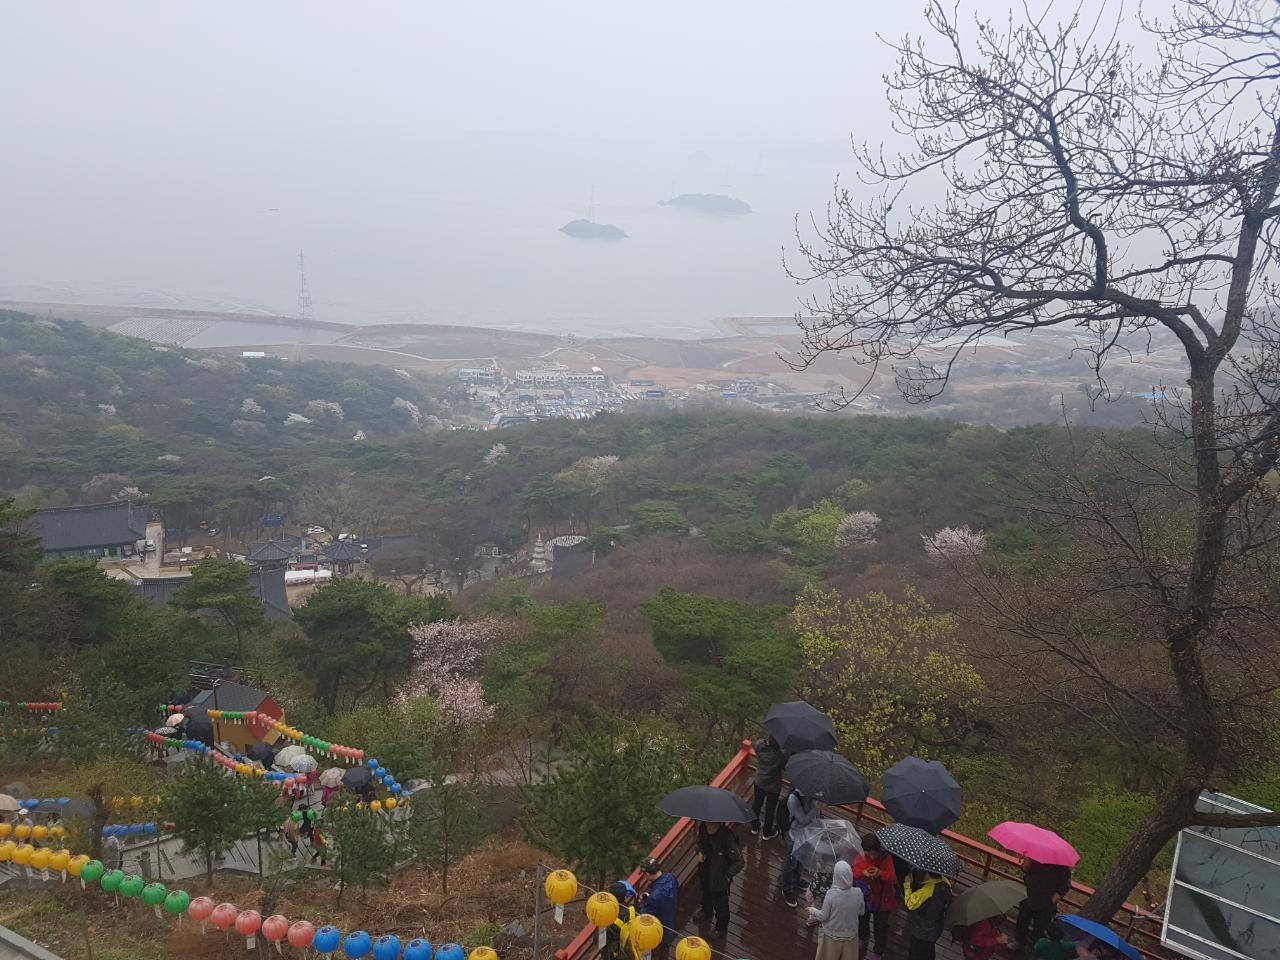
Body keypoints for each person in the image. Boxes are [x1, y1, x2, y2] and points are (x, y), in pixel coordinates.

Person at [853, 832, 898, 960]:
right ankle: (863, 937)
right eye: (868, 853)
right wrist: (863, 873)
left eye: (874, 853)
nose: (871, 856)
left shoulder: (887, 859)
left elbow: (893, 878)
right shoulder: (861, 857)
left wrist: (881, 874)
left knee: (880, 927)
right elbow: (854, 873)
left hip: (883, 901)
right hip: (866, 898)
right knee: (862, 919)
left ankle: (878, 951)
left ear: (879, 850)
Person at [807, 860, 865, 960]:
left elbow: (823, 916)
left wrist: (812, 910)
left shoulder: (831, 894)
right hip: (851, 935)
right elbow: (861, 912)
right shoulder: (858, 892)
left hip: (831, 936)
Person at [1013, 857, 1072, 952]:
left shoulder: (1062, 867)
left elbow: (1065, 886)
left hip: (1046, 904)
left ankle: (1034, 949)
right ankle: (1019, 942)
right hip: (1029, 896)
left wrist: (1052, 900)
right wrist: (1026, 864)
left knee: (1039, 930)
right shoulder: (1035, 857)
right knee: (1022, 922)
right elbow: (1026, 871)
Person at [695, 821, 743, 936]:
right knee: (705, 892)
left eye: (712, 824)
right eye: (708, 823)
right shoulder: (703, 828)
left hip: (720, 876)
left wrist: (727, 875)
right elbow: (700, 842)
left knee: (721, 903)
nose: (709, 825)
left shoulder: (727, 837)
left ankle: (721, 928)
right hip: (706, 869)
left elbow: (739, 862)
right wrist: (699, 851)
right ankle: (706, 910)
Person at [903, 869, 953, 960]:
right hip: (935, 928)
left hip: (921, 931)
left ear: (927, 871)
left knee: (916, 954)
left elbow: (910, 904)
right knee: (929, 950)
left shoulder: (927, 890)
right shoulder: (945, 882)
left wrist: (907, 884)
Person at [782, 787, 818, 907]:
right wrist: (815, 809)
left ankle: (796, 881)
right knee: (791, 864)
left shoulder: (812, 794)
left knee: (800, 860)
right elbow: (803, 820)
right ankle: (786, 889)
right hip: (794, 837)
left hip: (806, 835)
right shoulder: (794, 798)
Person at [638, 857, 679, 960]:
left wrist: (641, 903)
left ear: (647, 873)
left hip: (658, 930)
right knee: (665, 948)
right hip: (671, 922)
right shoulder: (671, 877)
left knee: (656, 950)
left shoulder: (654, 897)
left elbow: (646, 915)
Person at [750, 735, 785, 840]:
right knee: (770, 810)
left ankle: (754, 827)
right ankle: (767, 832)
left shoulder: (760, 747)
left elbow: (757, 743)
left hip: (759, 781)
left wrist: (766, 742)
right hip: (773, 787)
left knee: (756, 804)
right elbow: (786, 766)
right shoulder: (780, 757)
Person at [604, 880, 640, 960]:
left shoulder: (604, 913)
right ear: (625, 897)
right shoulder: (631, 911)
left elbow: (599, 942)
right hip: (627, 952)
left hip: (612, 953)